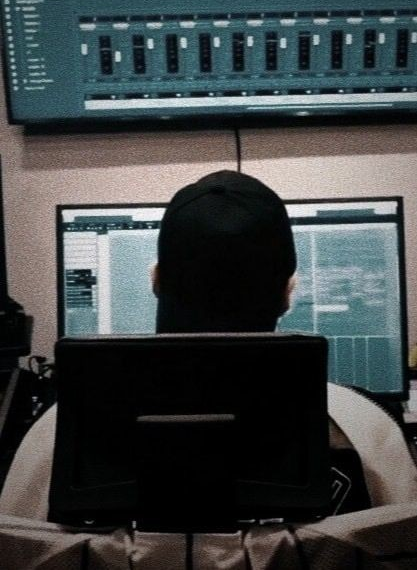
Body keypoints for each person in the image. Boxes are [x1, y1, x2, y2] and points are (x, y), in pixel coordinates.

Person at [1, 170, 417, 521]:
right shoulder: (364, 430)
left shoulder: (59, 434)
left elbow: (21, 547)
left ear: (155, 282)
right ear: (287, 294)